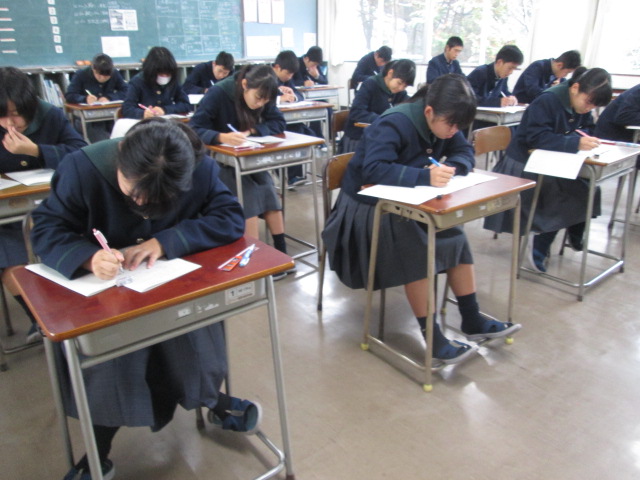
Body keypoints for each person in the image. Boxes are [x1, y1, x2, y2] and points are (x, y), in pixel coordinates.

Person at [30, 118, 261, 479]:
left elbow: (229, 216)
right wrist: (88, 258)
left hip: (171, 286)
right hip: (107, 297)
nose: (141, 205)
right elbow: (46, 229)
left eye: (157, 200)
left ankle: (213, 401)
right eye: (133, 193)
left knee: (197, 345)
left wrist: (165, 241)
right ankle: (98, 449)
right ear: (121, 154)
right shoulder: (81, 169)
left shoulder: (195, 166)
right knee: (111, 363)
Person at [322, 74, 521, 365]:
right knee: (415, 246)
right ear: (429, 112)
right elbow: (373, 169)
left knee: (455, 235)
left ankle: (471, 317)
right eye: (451, 126)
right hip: (367, 210)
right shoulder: (394, 123)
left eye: (459, 127)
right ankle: (432, 336)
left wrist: (453, 167)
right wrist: (424, 177)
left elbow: (464, 150)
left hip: (411, 204)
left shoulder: (446, 122)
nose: (454, 132)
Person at [483, 67, 612, 273]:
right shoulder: (547, 100)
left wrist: (584, 138)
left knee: (590, 188)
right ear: (575, 88)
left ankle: (575, 230)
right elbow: (536, 138)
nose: (589, 109)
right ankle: (541, 243)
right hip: (525, 163)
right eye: (588, 102)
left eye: (594, 106)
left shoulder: (580, 105)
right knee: (565, 194)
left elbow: (586, 128)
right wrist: (575, 143)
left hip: (555, 161)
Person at [0, 66, 87, 342]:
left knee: (69, 245)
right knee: (11, 258)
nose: (10, 122)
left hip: (56, 205)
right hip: (7, 215)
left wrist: (35, 150)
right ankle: (38, 318)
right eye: (2, 115)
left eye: (16, 113)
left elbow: (81, 153)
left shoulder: (50, 115)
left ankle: (73, 313)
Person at [189, 65, 296, 279]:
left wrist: (253, 131)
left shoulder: (264, 94)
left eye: (266, 101)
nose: (260, 104)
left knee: (267, 188)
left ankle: (281, 252)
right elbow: (193, 128)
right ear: (245, 85)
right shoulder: (219, 93)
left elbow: (278, 121)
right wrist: (221, 137)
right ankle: (254, 258)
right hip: (217, 160)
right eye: (258, 98)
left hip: (247, 156)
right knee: (247, 196)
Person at [341, 59, 416, 154]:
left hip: (379, 136)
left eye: (405, 86)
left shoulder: (398, 92)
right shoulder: (369, 84)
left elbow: (410, 105)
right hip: (358, 137)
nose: (401, 88)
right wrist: (383, 119)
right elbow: (356, 112)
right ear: (390, 73)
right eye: (399, 83)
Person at [272, 50, 322, 187]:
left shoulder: (287, 80)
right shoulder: (265, 76)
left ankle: (295, 175)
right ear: (277, 67)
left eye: (292, 74)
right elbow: (261, 99)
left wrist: (293, 96)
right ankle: (289, 174)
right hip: (271, 121)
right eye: (288, 73)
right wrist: (279, 99)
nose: (290, 77)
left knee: (303, 132)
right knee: (295, 132)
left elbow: (299, 95)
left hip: (286, 119)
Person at [65, 53, 129, 142]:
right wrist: (85, 99)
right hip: (88, 120)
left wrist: (110, 98)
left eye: (106, 77)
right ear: (93, 69)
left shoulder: (114, 73)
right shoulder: (81, 75)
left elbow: (127, 90)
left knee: (122, 135)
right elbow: (70, 95)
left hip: (110, 117)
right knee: (103, 139)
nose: (102, 78)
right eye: (99, 75)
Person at [122, 46, 192, 119]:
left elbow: (186, 105)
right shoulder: (137, 82)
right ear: (151, 71)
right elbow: (127, 109)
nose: (164, 76)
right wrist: (143, 113)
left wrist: (165, 110)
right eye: (161, 73)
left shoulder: (172, 81)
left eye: (168, 73)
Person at [513, 50, 582, 104]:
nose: (565, 75)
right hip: (520, 104)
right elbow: (532, 90)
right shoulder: (537, 66)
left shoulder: (558, 76)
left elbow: (565, 91)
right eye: (567, 72)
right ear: (559, 65)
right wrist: (553, 91)